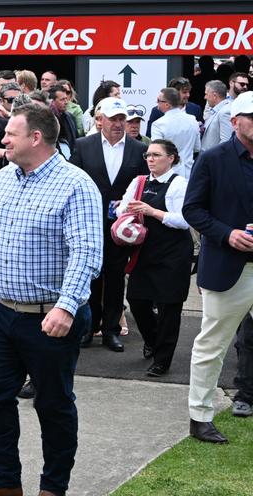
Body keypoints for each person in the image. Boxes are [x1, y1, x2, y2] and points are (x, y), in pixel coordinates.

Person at [0, 102, 101, 496]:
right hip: (0, 313)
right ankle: (3, 482)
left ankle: (53, 488)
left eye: (11, 133)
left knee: (53, 405)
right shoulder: (6, 177)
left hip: (50, 319)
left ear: (36, 138)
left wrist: (66, 305)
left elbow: (87, 252)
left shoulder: (75, 184)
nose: (2, 139)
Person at [183, 91, 253, 444]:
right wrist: (228, 235)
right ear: (235, 120)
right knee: (213, 344)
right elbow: (192, 209)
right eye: (251, 116)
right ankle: (200, 416)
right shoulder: (213, 158)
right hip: (228, 266)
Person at [70, 97, 149, 352]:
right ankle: (89, 327)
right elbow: (72, 180)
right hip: (89, 221)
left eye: (121, 119)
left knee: (115, 277)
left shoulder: (137, 149)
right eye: (113, 119)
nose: (118, 124)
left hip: (122, 226)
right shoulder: (84, 145)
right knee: (91, 275)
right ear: (99, 120)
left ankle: (111, 330)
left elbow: (143, 184)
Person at [114, 138, 192, 377]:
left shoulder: (180, 184)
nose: (150, 159)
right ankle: (154, 340)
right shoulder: (139, 182)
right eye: (148, 155)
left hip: (173, 254)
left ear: (171, 158)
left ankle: (162, 360)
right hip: (144, 252)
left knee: (169, 307)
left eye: (156, 155)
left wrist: (153, 212)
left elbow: (185, 220)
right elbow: (119, 209)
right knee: (137, 300)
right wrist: (126, 210)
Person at [148, 87, 200, 177]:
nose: (157, 103)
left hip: (168, 174)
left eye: (158, 100)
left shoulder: (158, 124)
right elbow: (197, 147)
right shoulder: (192, 120)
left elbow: (156, 152)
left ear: (167, 104)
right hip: (189, 173)